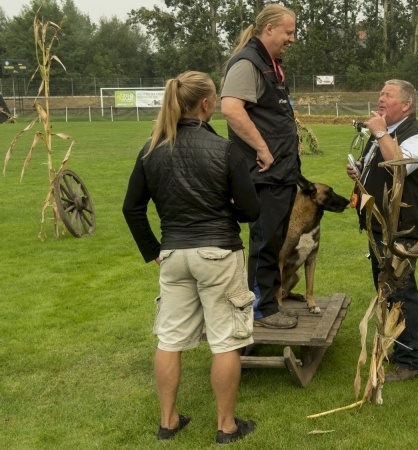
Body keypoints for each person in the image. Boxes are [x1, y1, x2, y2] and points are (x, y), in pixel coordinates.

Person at [122, 71, 259, 444]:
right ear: (205, 104)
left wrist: (154, 252)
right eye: (214, 99)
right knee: (226, 341)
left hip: (173, 255)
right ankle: (227, 426)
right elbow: (251, 211)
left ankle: (168, 422)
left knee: (169, 339)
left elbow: (131, 209)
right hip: (218, 253)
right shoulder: (224, 150)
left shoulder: (150, 148)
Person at [346, 80, 418, 382]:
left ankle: (410, 361)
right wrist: (360, 170)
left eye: (388, 95)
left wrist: (380, 132)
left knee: (401, 291)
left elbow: (398, 166)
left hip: (402, 229)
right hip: (378, 225)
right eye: (381, 92)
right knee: (386, 289)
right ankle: (398, 349)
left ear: (406, 104)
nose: (380, 98)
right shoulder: (385, 132)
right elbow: (381, 165)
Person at [221, 4, 300, 329]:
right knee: (265, 240)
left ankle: (268, 303)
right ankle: (259, 310)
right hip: (265, 174)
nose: (292, 39)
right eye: (288, 32)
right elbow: (230, 108)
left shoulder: (269, 65)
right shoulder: (247, 63)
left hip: (280, 173)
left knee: (274, 241)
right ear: (268, 29)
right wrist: (263, 149)